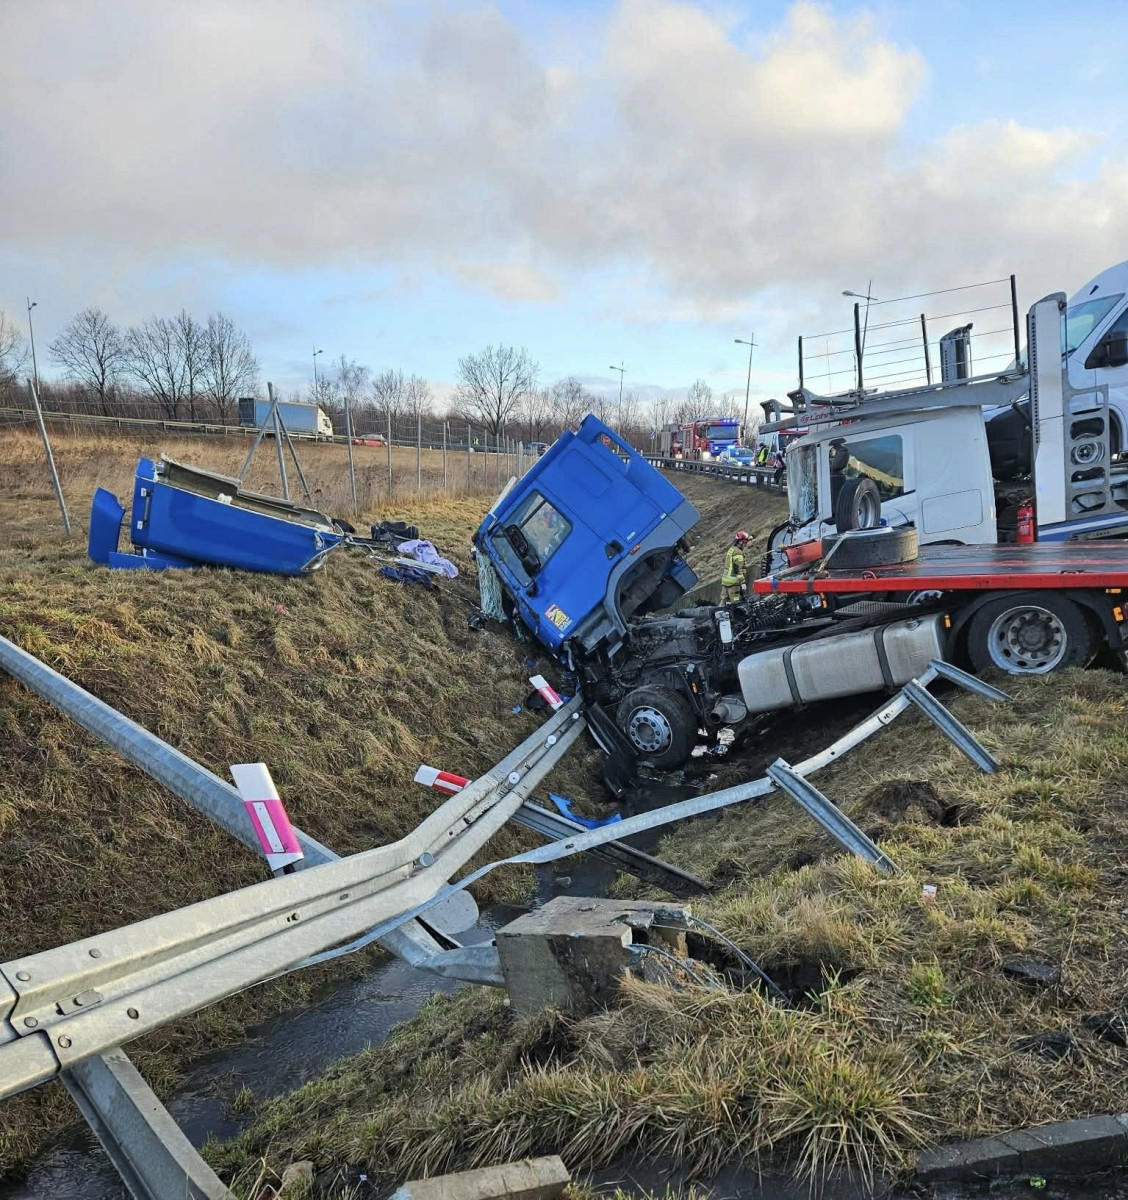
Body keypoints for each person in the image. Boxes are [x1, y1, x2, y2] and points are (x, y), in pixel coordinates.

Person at [721, 530, 751, 602]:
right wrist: (743, 582)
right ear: (740, 542)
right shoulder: (738, 553)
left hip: (725, 582)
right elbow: (738, 570)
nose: (745, 545)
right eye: (745, 542)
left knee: (724, 603)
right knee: (736, 604)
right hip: (733, 584)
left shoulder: (731, 549)